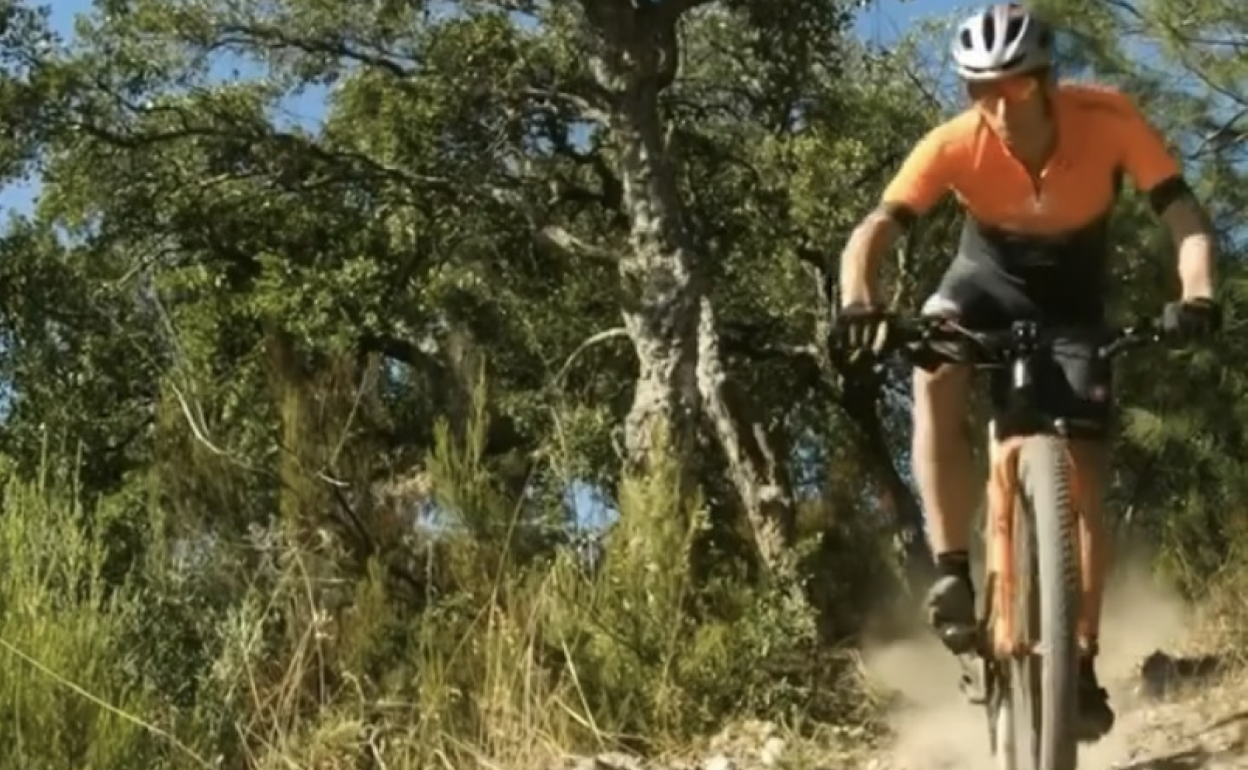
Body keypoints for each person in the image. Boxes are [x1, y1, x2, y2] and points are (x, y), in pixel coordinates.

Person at [832, 2, 1221, 744]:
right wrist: (859, 300)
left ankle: (1077, 661)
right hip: (980, 287)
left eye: (1011, 87)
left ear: (1047, 82)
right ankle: (951, 564)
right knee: (933, 367)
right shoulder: (955, 144)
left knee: (1084, 473)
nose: (996, 106)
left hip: (1075, 305)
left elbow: (1185, 219)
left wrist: (1195, 293)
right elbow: (874, 231)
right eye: (979, 90)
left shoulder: (1109, 119)